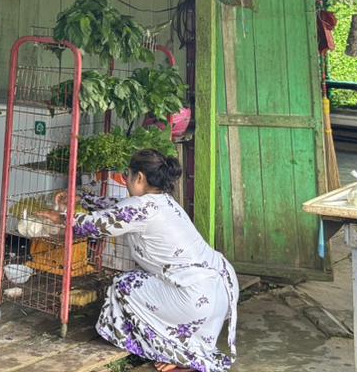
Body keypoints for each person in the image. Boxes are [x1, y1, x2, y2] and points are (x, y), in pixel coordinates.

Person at [44, 149, 238, 372]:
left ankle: (177, 353)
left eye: (127, 175)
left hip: (194, 297)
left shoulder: (141, 207)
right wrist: (83, 199)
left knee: (123, 285)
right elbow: (118, 208)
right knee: (143, 279)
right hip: (220, 292)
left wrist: (60, 217)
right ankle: (187, 349)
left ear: (140, 178)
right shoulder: (163, 201)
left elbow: (96, 225)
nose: (126, 180)